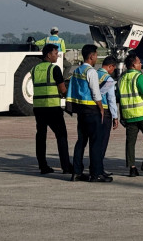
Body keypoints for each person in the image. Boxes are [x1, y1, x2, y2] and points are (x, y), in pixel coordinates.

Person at [66, 44, 108, 182]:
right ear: (91, 56)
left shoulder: (77, 71)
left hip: (81, 112)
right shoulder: (91, 72)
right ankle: (96, 174)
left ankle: (76, 172)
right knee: (95, 143)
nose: (96, 57)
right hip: (92, 111)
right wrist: (101, 108)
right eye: (96, 55)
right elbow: (96, 93)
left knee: (81, 142)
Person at [32, 44, 72, 175]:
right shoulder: (54, 69)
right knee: (61, 136)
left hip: (38, 107)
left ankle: (42, 166)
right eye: (55, 53)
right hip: (52, 107)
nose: (57, 55)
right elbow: (62, 89)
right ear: (48, 55)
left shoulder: (34, 69)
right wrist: (69, 97)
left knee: (41, 136)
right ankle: (66, 166)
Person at [97, 56, 119, 178]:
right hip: (104, 112)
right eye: (113, 69)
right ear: (110, 66)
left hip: (91, 109)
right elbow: (111, 99)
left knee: (94, 141)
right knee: (103, 141)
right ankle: (99, 168)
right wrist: (115, 116)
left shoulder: (93, 74)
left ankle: (93, 166)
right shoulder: (108, 79)